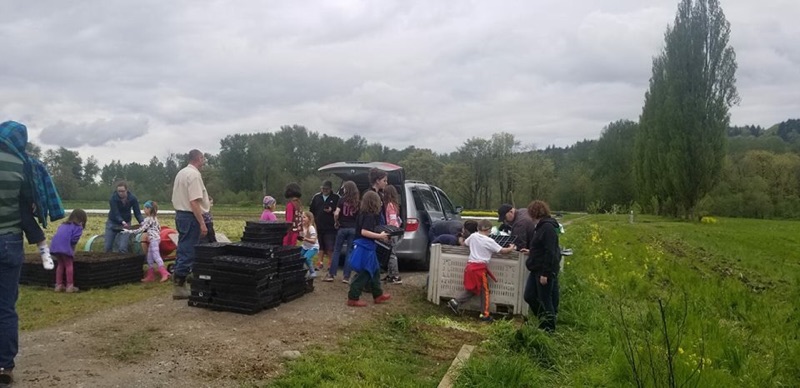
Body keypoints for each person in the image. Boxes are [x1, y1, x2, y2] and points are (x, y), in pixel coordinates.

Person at [0, 121, 28, 386]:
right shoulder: (23, 165)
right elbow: (29, 205)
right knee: (6, 307)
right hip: (9, 241)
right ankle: (4, 365)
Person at [447, 220, 515, 322]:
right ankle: (485, 314)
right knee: (485, 291)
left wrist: (460, 238)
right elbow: (502, 251)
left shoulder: (473, 236)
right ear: (488, 230)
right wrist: (511, 248)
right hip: (480, 269)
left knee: (473, 289)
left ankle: (455, 302)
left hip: (470, 267)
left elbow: (464, 243)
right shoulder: (489, 241)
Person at [171, 150, 210, 300]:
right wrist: (202, 223)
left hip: (181, 215)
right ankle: (179, 284)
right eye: (203, 159)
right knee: (188, 249)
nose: (203, 162)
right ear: (198, 159)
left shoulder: (181, 173)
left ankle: (181, 278)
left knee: (183, 247)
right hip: (190, 216)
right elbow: (194, 201)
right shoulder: (194, 175)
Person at [346, 191, 391, 307]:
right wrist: (380, 236)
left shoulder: (363, 213)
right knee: (366, 272)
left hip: (367, 245)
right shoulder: (369, 216)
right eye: (379, 201)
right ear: (374, 202)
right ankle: (353, 297)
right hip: (365, 246)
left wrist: (379, 235)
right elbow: (364, 232)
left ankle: (378, 294)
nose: (381, 203)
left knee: (375, 270)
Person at [522, 200, 561, 332]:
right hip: (536, 267)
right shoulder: (541, 226)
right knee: (529, 295)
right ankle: (543, 319)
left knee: (545, 299)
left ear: (534, 213)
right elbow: (542, 248)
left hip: (544, 270)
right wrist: (531, 252)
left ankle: (549, 328)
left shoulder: (547, 228)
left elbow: (550, 251)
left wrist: (545, 273)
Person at [122, 201, 170, 282]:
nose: (144, 210)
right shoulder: (154, 218)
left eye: (145, 208)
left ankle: (164, 273)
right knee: (149, 257)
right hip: (154, 239)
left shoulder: (149, 219)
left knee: (156, 256)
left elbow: (141, 230)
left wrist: (127, 231)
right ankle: (151, 275)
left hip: (153, 240)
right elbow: (158, 229)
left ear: (149, 209)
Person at [326, 180, 359, 283]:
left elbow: (336, 213)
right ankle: (346, 277)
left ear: (346, 189)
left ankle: (331, 274)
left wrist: (336, 222)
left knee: (337, 251)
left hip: (342, 228)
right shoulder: (358, 202)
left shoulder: (341, 200)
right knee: (350, 252)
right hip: (353, 229)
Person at [50, 209, 88, 293]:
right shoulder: (78, 227)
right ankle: (70, 286)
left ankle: (58, 285)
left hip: (55, 246)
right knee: (69, 265)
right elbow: (74, 240)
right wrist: (72, 251)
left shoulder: (63, 225)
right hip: (65, 247)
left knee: (60, 264)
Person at [104, 181, 144, 253]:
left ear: (126, 190)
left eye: (122, 191)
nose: (120, 193)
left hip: (126, 224)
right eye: (119, 191)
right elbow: (116, 213)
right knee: (108, 247)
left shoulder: (133, 199)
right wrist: (122, 221)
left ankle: (123, 263)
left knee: (122, 247)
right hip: (112, 223)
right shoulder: (113, 199)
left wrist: (142, 222)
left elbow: (137, 213)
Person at [309, 180, 339, 272]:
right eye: (323, 188)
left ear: (330, 189)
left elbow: (339, 210)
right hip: (319, 225)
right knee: (320, 246)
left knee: (330, 246)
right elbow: (312, 210)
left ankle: (331, 264)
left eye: (327, 189)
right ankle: (319, 263)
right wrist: (312, 223)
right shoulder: (316, 197)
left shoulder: (336, 197)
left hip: (330, 226)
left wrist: (332, 210)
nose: (325, 190)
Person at [382, 184, 403, 284]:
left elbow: (392, 220)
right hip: (396, 231)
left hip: (392, 232)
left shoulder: (390, 205)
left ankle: (395, 276)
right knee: (390, 253)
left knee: (391, 254)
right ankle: (390, 275)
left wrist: (389, 232)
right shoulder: (395, 204)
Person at [300, 211, 319, 279]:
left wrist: (305, 239)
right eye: (302, 217)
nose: (302, 218)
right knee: (299, 256)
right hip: (305, 246)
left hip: (313, 247)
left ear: (309, 219)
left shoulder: (311, 228)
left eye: (304, 217)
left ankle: (312, 271)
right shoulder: (302, 226)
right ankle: (303, 270)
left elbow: (313, 241)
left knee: (307, 258)